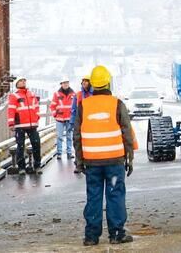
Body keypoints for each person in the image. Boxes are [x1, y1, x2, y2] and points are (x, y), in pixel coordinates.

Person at [74, 65, 136, 246]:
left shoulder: (83, 105)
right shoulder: (117, 104)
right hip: (114, 161)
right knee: (115, 195)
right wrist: (130, 158)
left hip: (92, 162)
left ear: (93, 84)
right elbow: (127, 132)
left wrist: (79, 162)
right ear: (108, 82)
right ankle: (117, 234)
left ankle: (91, 237)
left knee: (93, 196)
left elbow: (76, 135)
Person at [7, 77, 42, 174]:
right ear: (17, 84)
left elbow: (36, 107)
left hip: (32, 125)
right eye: (21, 81)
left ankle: (37, 166)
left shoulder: (31, 94)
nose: (23, 82)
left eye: (24, 81)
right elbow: (11, 110)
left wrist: (37, 117)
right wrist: (11, 123)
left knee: (36, 144)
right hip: (20, 125)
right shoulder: (14, 96)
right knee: (20, 146)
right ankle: (21, 168)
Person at [51, 79, 76, 160]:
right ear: (61, 84)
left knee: (69, 136)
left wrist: (74, 116)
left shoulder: (73, 94)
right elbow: (52, 106)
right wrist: (55, 114)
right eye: (64, 83)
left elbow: (75, 106)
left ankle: (69, 153)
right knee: (59, 137)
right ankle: (59, 153)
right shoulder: (56, 94)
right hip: (60, 119)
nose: (66, 84)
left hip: (69, 119)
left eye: (67, 83)